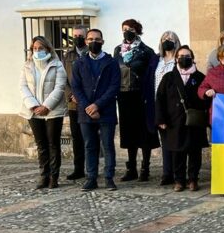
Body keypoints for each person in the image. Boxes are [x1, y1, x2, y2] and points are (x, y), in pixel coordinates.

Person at [71, 29, 121, 191]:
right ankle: (91, 177)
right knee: (89, 145)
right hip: (85, 111)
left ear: (103, 41)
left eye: (97, 39)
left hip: (106, 110)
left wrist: (97, 105)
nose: (94, 42)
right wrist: (88, 107)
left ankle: (108, 177)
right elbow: (76, 87)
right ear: (86, 41)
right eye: (91, 39)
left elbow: (114, 86)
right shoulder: (78, 63)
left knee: (107, 145)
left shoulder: (111, 62)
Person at [156, 46, 209, 192]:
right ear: (176, 59)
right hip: (174, 121)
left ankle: (193, 179)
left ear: (192, 58)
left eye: (187, 56)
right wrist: (161, 119)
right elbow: (160, 98)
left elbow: (206, 99)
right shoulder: (168, 77)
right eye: (180, 56)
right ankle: (179, 180)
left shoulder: (200, 77)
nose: (183, 58)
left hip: (194, 121)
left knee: (194, 152)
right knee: (177, 152)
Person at [113, 18, 158, 182]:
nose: (127, 32)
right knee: (129, 133)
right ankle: (131, 168)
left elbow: (150, 74)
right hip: (124, 94)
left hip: (140, 94)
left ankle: (145, 168)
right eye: (124, 29)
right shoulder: (118, 50)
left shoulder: (147, 51)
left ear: (137, 31)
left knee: (143, 132)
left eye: (131, 29)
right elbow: (115, 71)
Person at [20, 36, 67, 189]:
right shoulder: (27, 65)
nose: (38, 51)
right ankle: (43, 175)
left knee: (53, 143)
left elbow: (60, 87)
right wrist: (33, 105)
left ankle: (54, 176)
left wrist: (46, 106)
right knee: (41, 145)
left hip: (53, 111)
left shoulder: (57, 65)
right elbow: (23, 87)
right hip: (33, 111)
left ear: (48, 48)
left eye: (41, 48)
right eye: (35, 48)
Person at [145, 31, 181, 186]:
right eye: (165, 39)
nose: (168, 41)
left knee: (176, 139)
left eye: (171, 39)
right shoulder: (156, 60)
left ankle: (177, 171)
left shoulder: (179, 60)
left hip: (174, 107)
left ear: (176, 42)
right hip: (157, 105)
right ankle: (167, 173)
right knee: (164, 139)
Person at [62, 25, 88, 181]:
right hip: (73, 104)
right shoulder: (68, 55)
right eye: (75, 35)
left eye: (80, 35)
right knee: (77, 137)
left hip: (89, 104)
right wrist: (71, 95)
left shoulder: (91, 53)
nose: (77, 38)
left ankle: (92, 168)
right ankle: (78, 169)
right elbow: (63, 79)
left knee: (90, 138)